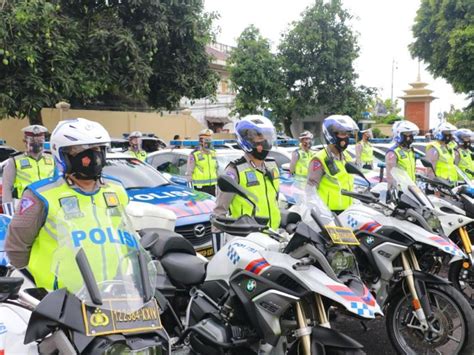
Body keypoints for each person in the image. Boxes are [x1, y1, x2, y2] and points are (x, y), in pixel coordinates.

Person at [5, 118, 129, 290]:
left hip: (111, 293)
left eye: (97, 149)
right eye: (80, 150)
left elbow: (125, 236)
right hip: (58, 299)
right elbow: (16, 248)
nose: (92, 156)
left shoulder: (116, 189)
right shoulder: (40, 195)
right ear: (62, 153)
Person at [214, 115, 280, 234]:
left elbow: (274, 200)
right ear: (247, 140)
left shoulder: (272, 165)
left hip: (274, 235)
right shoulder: (235, 171)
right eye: (259, 137)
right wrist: (218, 242)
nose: (265, 141)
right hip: (247, 239)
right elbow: (219, 211)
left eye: (267, 136)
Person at [307, 115, 358, 214]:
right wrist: (317, 213)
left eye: (348, 134)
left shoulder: (347, 157)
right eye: (343, 133)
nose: (347, 137)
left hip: (347, 212)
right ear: (331, 135)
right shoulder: (319, 159)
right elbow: (310, 190)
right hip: (328, 213)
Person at [1, 125, 55, 216]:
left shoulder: (52, 159)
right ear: (25, 142)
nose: (37, 143)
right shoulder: (15, 161)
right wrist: (9, 215)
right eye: (32, 140)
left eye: (40, 140)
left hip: (49, 206)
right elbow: (6, 189)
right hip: (24, 207)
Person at [385, 120, 419, 187]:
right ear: (398, 134)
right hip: (400, 191)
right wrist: (393, 192)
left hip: (412, 189)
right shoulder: (393, 152)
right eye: (407, 134)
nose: (409, 137)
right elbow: (390, 176)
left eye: (411, 134)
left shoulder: (410, 151)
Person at [185, 129, 218, 196]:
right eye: (206, 140)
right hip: (199, 189)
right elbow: (189, 173)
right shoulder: (194, 154)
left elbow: (216, 169)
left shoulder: (213, 153)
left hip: (212, 188)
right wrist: (191, 190)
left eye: (210, 140)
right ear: (201, 141)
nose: (209, 142)